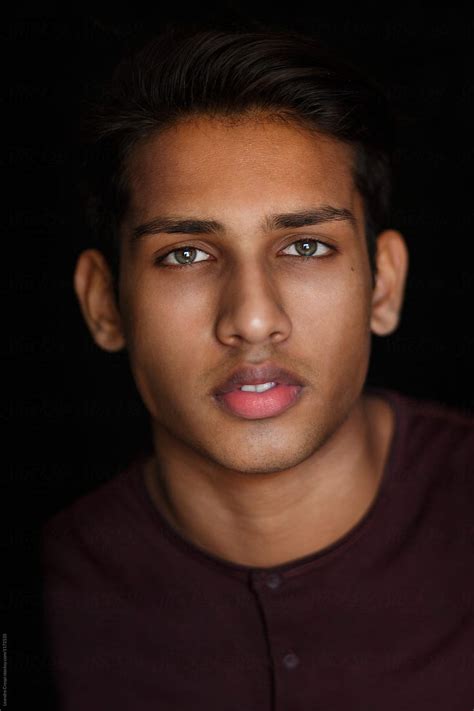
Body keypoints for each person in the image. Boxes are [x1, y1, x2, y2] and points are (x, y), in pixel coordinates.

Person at [41, 26, 474, 710]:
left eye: (304, 245)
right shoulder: (43, 592)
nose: (250, 317)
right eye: (185, 253)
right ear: (104, 303)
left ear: (383, 285)